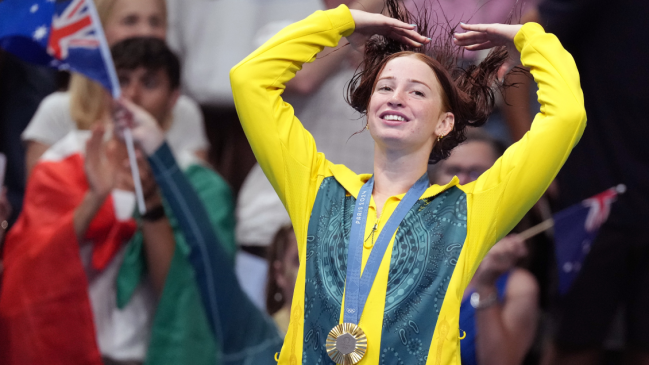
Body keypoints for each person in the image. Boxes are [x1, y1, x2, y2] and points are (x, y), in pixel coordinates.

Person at [230, 0, 585, 363]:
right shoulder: (317, 188)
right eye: (384, 88)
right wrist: (343, 21)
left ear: (444, 123)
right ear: (369, 112)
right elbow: (250, 80)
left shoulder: (468, 210)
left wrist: (529, 38)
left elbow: (567, 115)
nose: (396, 98)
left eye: (417, 91)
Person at [0, 37, 234, 365]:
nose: (132, 96)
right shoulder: (64, 160)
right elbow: (31, 271)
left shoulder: (198, 185)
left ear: (174, 99)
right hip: (70, 353)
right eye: (122, 81)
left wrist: (151, 200)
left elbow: (185, 302)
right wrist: (95, 199)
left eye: (149, 83)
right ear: (106, 90)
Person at [22, 0, 208, 176]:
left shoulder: (184, 111)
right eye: (130, 21)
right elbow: (40, 204)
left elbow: (201, 196)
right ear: (98, 30)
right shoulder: (56, 110)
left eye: (155, 22)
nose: (146, 32)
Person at [430, 133, 539, 365]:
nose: (464, 181)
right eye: (453, 170)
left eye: (478, 173)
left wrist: (486, 285)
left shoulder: (518, 287)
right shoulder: (402, 253)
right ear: (433, 179)